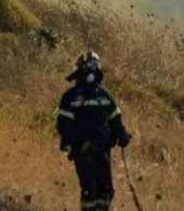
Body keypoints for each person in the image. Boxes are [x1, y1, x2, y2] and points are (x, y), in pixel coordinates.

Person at [56, 50, 131, 211]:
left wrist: (122, 135)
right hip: (82, 150)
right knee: (89, 190)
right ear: (80, 69)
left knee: (106, 191)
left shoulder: (104, 95)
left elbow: (115, 119)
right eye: (87, 66)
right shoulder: (71, 97)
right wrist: (78, 144)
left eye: (94, 65)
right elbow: (63, 126)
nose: (91, 70)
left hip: (103, 149)